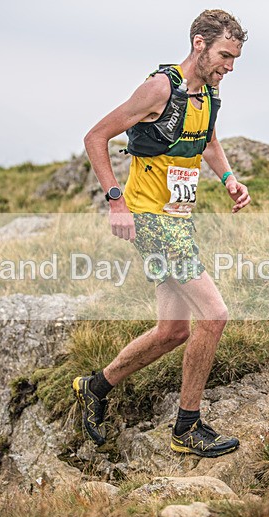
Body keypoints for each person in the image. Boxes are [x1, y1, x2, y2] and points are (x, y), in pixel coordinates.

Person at [74, 9, 250, 458]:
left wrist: (228, 178)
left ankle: (95, 387)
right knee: (214, 315)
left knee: (173, 330)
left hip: (177, 219)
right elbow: (96, 137)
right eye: (225, 56)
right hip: (151, 221)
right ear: (199, 44)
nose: (230, 67)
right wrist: (116, 200)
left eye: (234, 59)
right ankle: (186, 427)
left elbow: (208, 141)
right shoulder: (159, 88)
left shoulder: (208, 93)